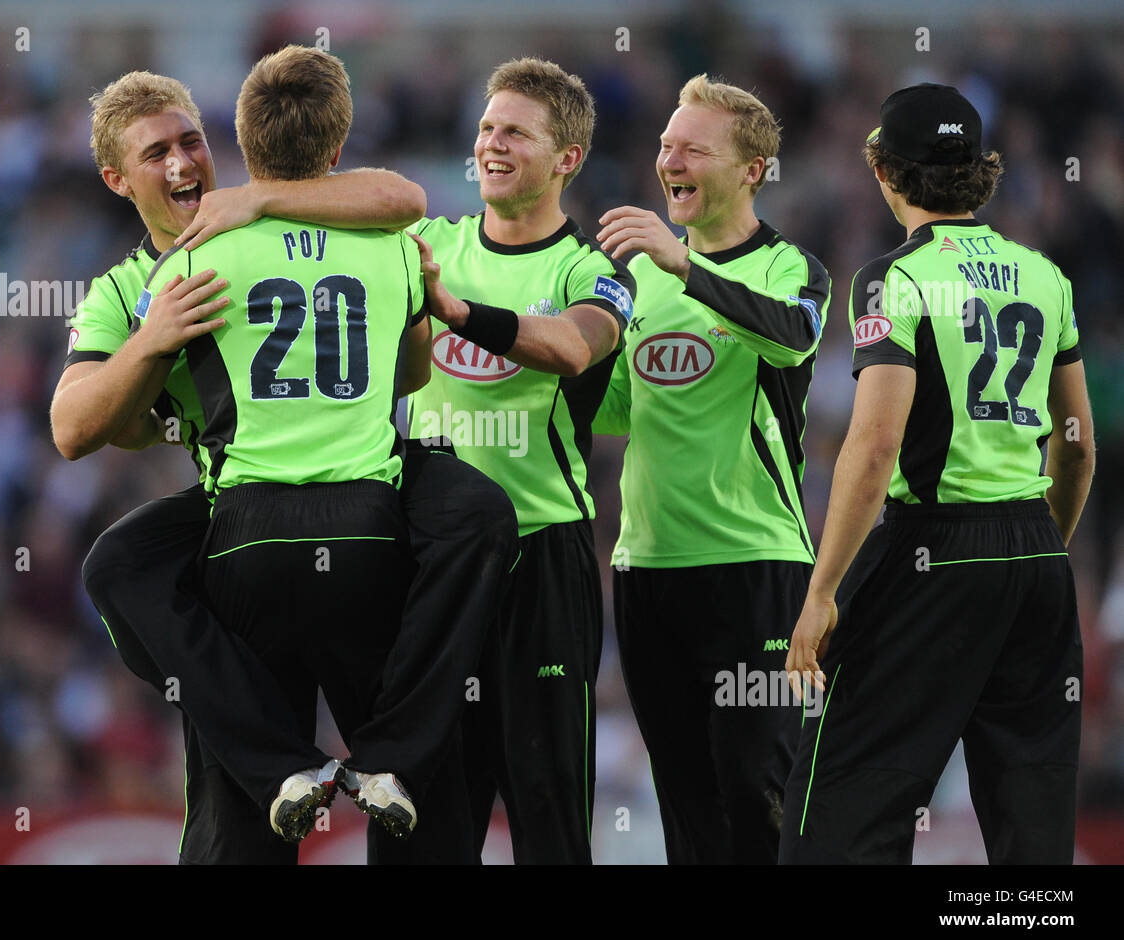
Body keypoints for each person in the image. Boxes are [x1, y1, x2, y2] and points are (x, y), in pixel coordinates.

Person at [52, 67, 514, 863]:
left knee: (469, 509)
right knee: (121, 560)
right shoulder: (129, 291)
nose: (180, 164)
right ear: (116, 179)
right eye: (154, 152)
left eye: (190, 141)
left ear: (221, 146)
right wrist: (151, 341)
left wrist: (264, 198)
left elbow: (398, 199)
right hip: (254, 494)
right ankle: (313, 761)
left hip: (267, 521)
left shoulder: (242, 227)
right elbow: (74, 426)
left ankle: (312, 762)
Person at [781, 83, 1093, 864]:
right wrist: (1038, 545)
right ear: (980, 172)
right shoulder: (1043, 275)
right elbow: (1078, 443)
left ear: (884, 171)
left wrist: (822, 593)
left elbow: (877, 440)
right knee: (1034, 823)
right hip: (1034, 553)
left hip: (931, 551)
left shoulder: (894, 278)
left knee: (841, 810)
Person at [591, 75, 829, 864]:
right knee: (686, 803)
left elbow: (794, 339)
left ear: (752, 169)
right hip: (649, 569)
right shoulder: (643, 279)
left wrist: (687, 269)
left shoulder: (792, 268)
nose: (670, 160)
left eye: (693, 147)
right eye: (664, 146)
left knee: (755, 790)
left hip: (755, 568)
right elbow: (621, 408)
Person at [407, 58, 635, 865]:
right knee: (424, 808)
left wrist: (455, 310)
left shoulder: (591, 271)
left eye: (514, 132)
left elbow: (572, 347)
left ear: (566, 159)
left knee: (547, 811)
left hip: (541, 557)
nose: (490, 145)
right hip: (431, 558)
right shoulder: (428, 241)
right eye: (486, 128)